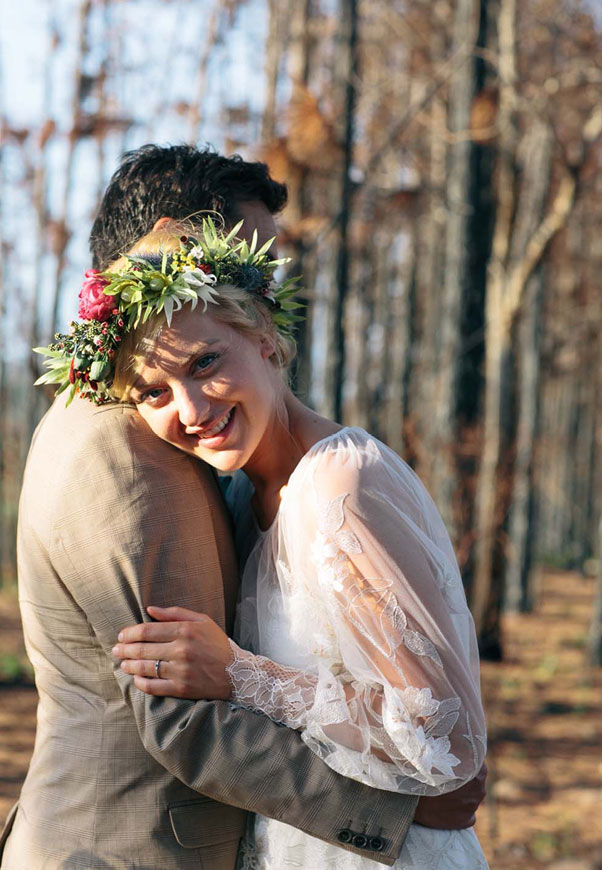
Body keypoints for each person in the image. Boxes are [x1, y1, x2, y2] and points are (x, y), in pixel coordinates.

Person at [1, 145, 484, 870]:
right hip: (125, 849)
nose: (188, 407)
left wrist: (244, 675)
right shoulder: (120, 447)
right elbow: (179, 710)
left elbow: (440, 734)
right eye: (253, 257)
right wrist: (384, 814)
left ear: (262, 333)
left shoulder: (322, 482)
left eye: (205, 364)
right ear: (176, 241)